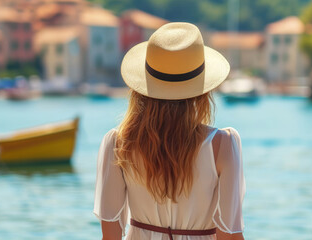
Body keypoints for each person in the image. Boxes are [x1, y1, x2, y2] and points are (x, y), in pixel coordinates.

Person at [94, 22, 245, 240]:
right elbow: (230, 236)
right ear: (201, 92)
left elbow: (110, 236)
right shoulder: (221, 146)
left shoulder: (118, 144)